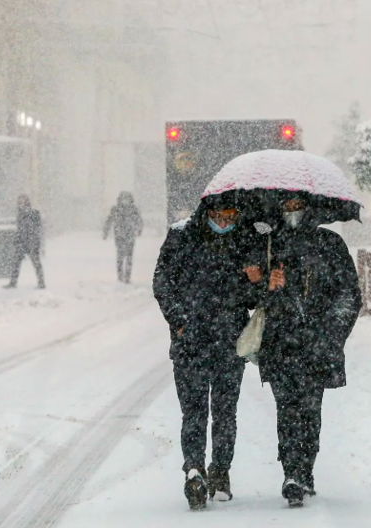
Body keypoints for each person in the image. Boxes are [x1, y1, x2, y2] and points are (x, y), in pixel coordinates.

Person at [253, 194, 362, 507]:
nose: (291, 212)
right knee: (286, 409)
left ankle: (305, 468)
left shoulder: (330, 243)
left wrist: (331, 334)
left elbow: (348, 294)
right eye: (285, 206)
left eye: (297, 205)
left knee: (310, 411)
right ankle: (292, 472)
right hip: (279, 344)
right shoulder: (269, 245)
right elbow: (249, 292)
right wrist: (265, 284)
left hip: (316, 345)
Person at [152, 198, 259, 510]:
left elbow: (253, 298)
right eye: (218, 215)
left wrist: (255, 281)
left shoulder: (246, 239)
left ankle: (220, 471)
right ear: (206, 213)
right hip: (191, 344)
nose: (224, 222)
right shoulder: (181, 236)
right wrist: (181, 322)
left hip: (230, 342)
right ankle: (195, 470)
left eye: (231, 216)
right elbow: (162, 282)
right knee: (195, 412)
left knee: (225, 412)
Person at [5, 195, 45, 290]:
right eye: (19, 202)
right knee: (18, 263)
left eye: (21, 202)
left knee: (34, 263)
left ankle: (40, 282)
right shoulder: (22, 214)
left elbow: (33, 229)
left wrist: (31, 240)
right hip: (24, 242)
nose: (19, 204)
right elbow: (22, 229)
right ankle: (14, 282)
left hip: (30, 242)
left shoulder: (30, 213)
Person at [103, 191, 144, 283]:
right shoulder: (116, 209)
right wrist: (105, 231)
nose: (125, 201)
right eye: (123, 199)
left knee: (129, 256)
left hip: (130, 235)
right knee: (120, 255)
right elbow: (109, 220)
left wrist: (139, 229)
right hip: (119, 235)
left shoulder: (133, 209)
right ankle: (120, 276)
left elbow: (139, 220)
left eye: (127, 199)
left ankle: (127, 276)